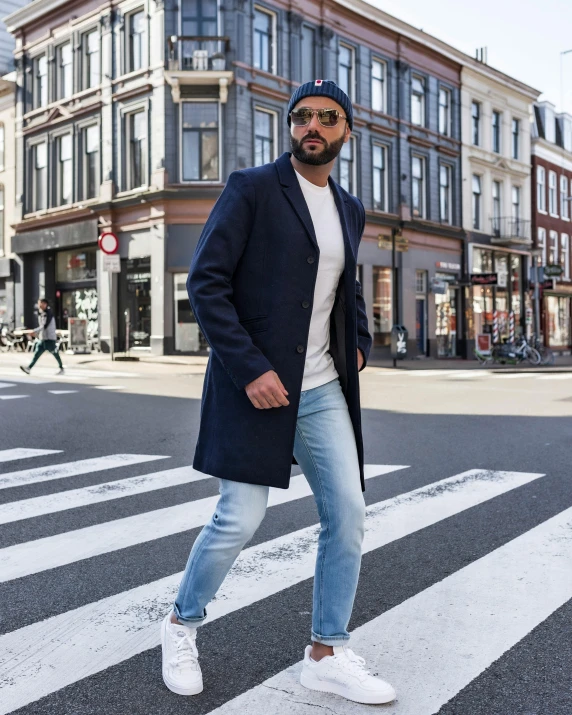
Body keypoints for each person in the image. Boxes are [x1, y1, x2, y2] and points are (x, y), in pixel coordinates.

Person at [161, 79, 396, 706]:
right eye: (302, 117)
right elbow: (206, 285)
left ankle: (326, 651)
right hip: (254, 387)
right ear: (288, 127)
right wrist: (249, 368)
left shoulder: (349, 208)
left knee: (346, 515)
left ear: (347, 131)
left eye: (328, 117)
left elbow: (347, 291)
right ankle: (181, 624)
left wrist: (360, 344)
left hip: (322, 388)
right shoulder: (252, 190)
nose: (313, 126)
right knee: (239, 517)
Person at [20, 298, 64, 375]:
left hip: (49, 338)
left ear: (45, 304)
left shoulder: (48, 313)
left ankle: (61, 368)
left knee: (55, 353)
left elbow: (44, 326)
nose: (39, 305)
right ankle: (29, 368)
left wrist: (34, 331)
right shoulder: (42, 313)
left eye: (41, 303)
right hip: (43, 338)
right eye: (39, 303)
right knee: (37, 354)